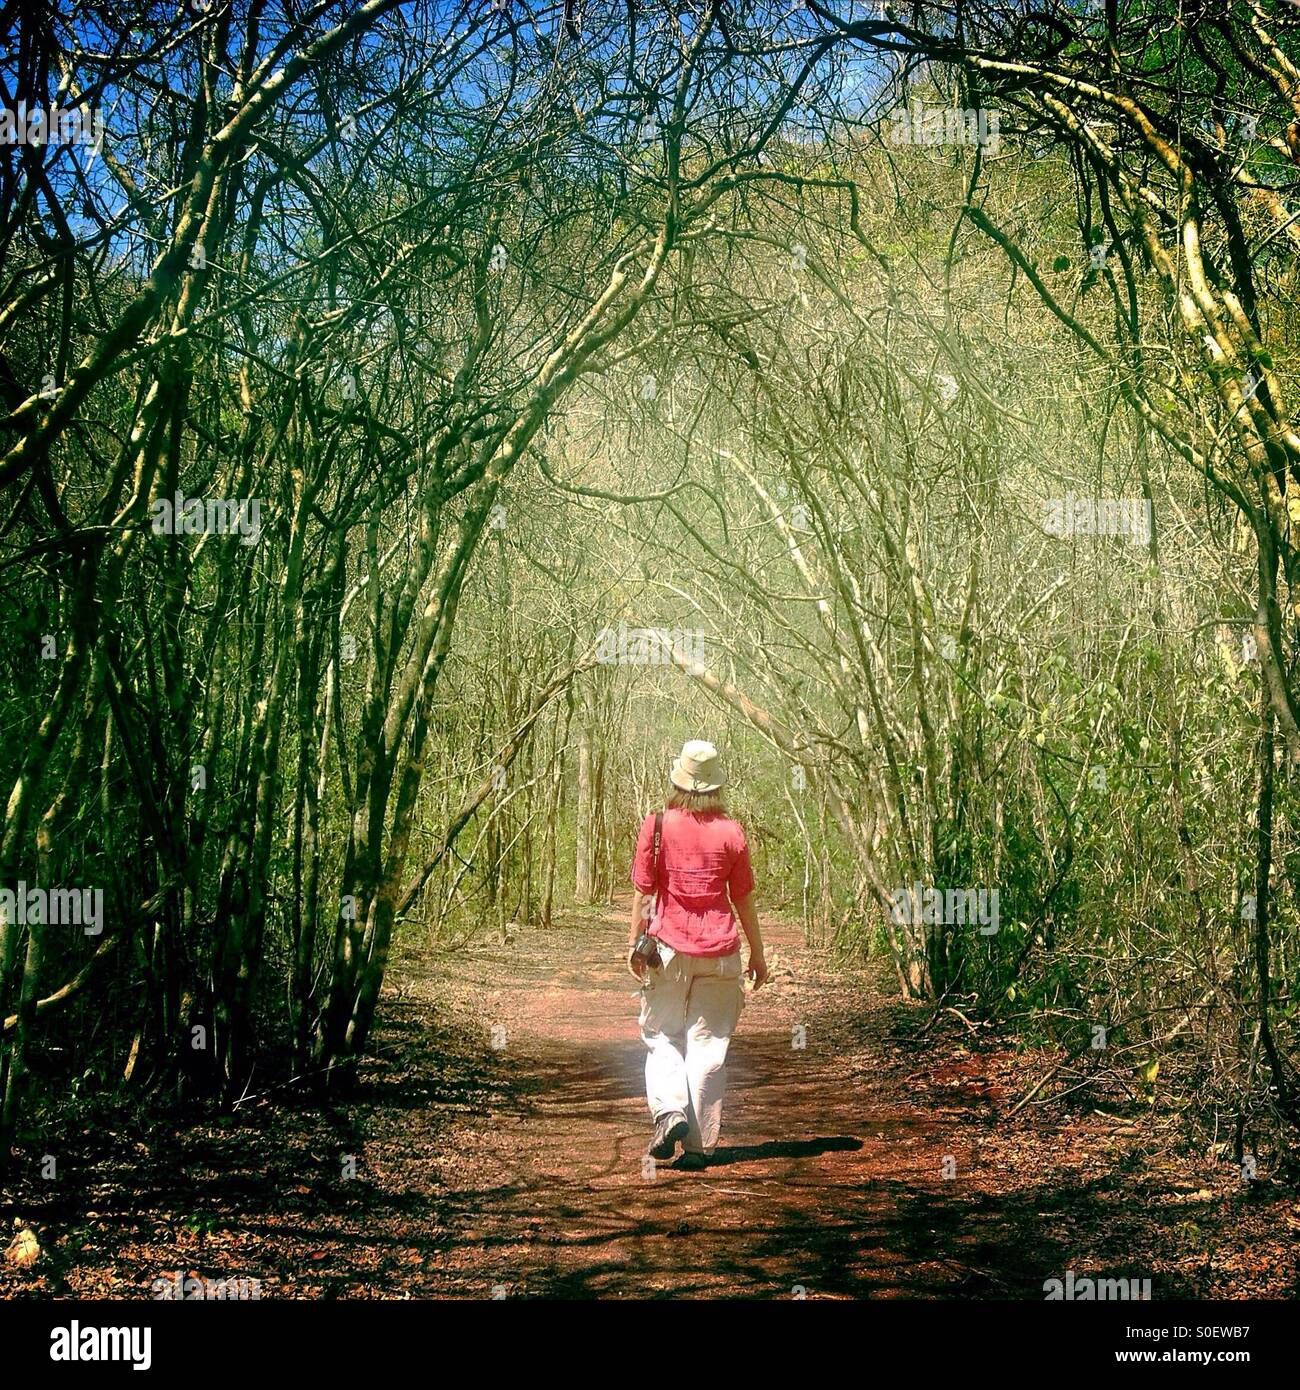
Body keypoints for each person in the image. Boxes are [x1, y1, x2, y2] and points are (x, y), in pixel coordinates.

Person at [628, 739, 767, 1169]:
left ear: (678, 779)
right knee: (707, 1048)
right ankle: (699, 1148)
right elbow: (742, 899)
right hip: (721, 955)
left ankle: (669, 1112)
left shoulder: (656, 825)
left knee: (662, 1036)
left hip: (667, 951)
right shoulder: (732, 832)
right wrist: (758, 955)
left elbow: (643, 893)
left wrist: (634, 943)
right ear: (715, 785)